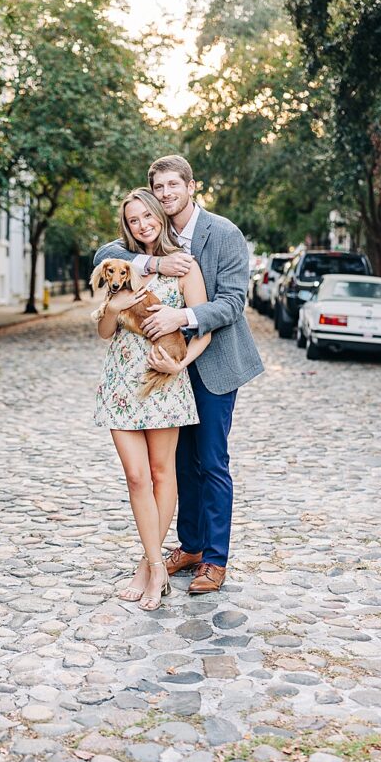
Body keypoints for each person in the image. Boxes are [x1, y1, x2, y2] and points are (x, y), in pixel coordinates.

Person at [94, 152, 264, 596]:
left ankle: (214, 559)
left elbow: (230, 303)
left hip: (210, 362)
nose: (168, 193)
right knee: (176, 465)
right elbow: (105, 255)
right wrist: (151, 265)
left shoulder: (222, 233)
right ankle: (188, 546)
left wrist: (180, 318)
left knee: (210, 461)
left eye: (175, 185)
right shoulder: (149, 237)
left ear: (192, 187)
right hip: (161, 374)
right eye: (160, 187)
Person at [93, 188, 210, 611]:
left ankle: (150, 566)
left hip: (163, 383)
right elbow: (106, 332)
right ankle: (156, 562)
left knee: (163, 473)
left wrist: (180, 366)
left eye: (148, 216)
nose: (142, 225)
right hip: (121, 383)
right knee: (136, 477)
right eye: (133, 220)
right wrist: (114, 306)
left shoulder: (183, 266)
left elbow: (205, 328)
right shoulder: (120, 265)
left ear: (160, 215)